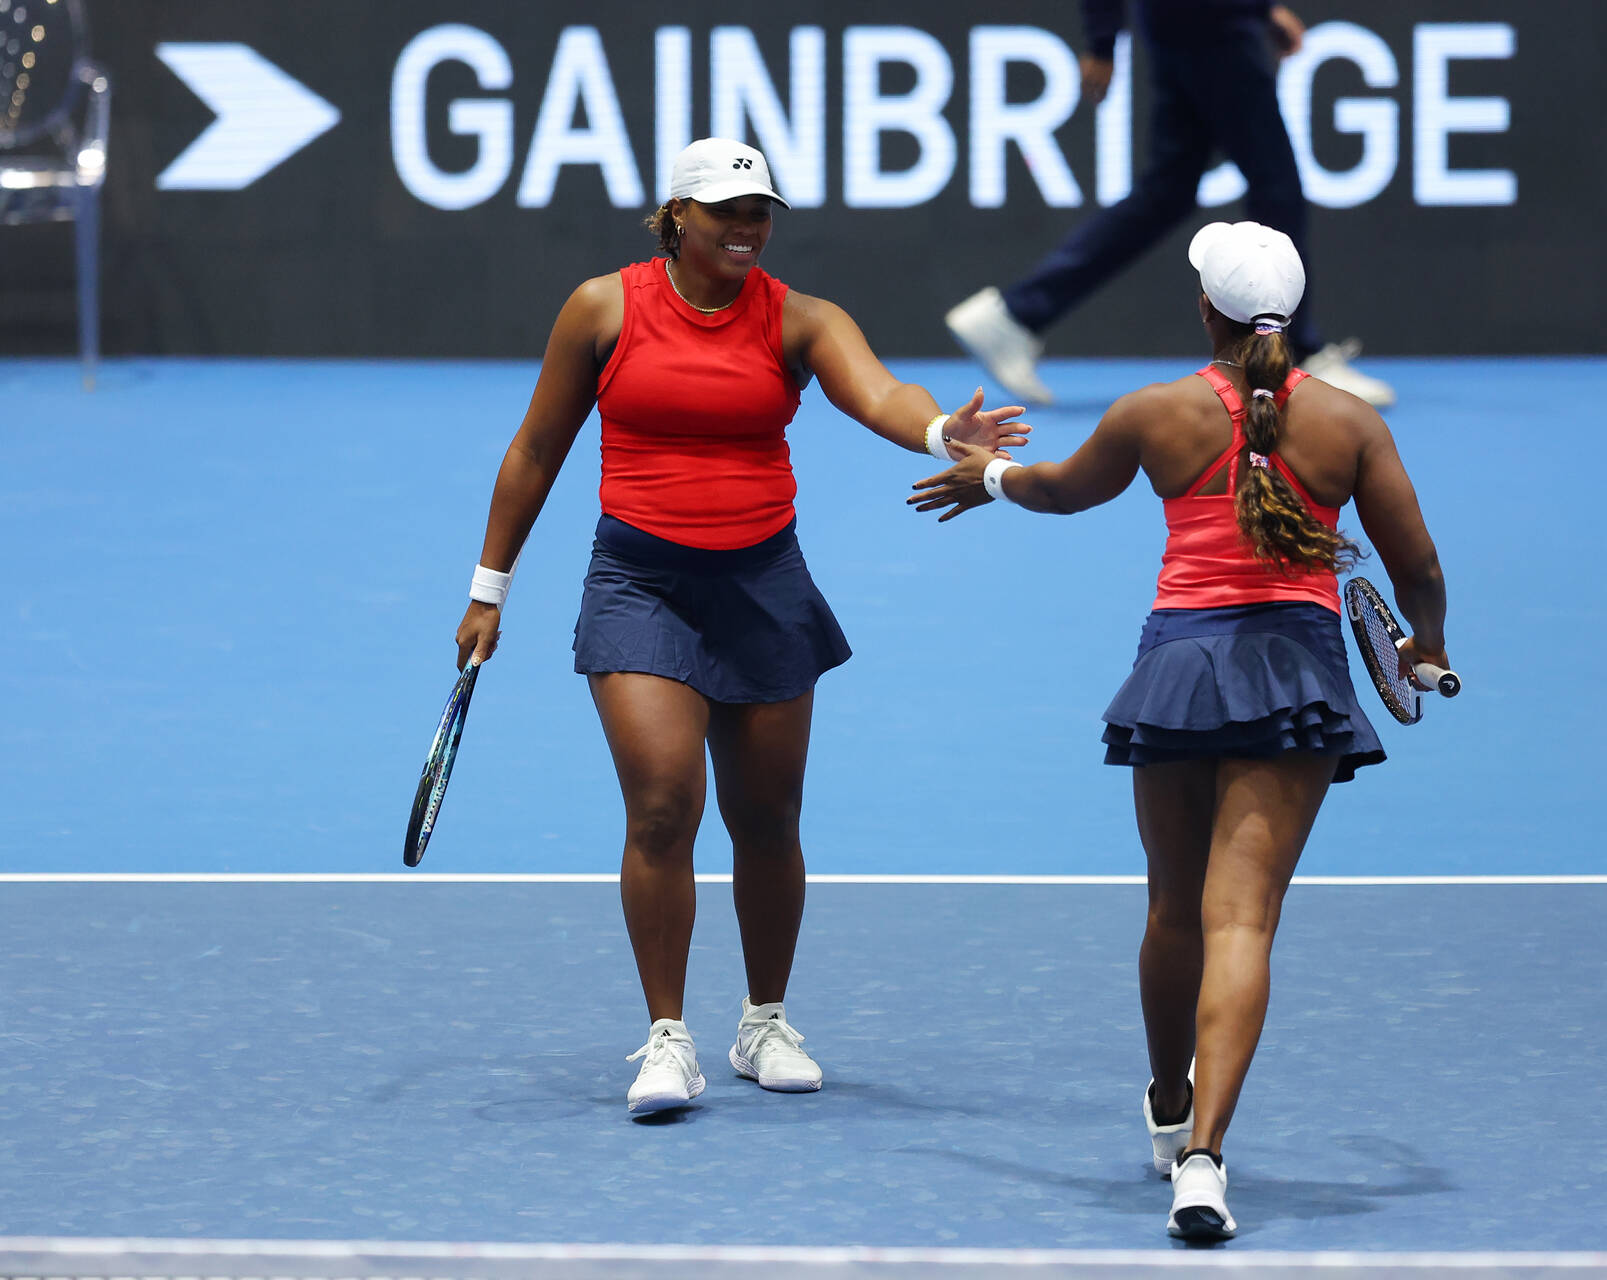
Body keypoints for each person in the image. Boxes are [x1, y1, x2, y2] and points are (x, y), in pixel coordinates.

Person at [453, 138, 1028, 1117]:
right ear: (676, 214)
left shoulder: (799, 319)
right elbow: (538, 445)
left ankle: (764, 1020)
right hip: (641, 584)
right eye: (726, 209)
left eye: (760, 209)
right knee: (665, 804)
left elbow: (881, 392)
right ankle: (666, 1035)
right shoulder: (603, 307)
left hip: (763, 586)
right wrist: (488, 585)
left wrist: (942, 435)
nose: (747, 226)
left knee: (766, 818)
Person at [910, 221, 1449, 1239]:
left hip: (1178, 673)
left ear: (1206, 311)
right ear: (1290, 321)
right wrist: (1425, 639)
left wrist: (984, 474)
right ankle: (1204, 1156)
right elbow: (1416, 559)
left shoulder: (1154, 412)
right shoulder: (1347, 424)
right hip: (1294, 677)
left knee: (1173, 911)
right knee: (1240, 919)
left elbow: (1064, 490)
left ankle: (1167, 1099)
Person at [945, 2, 1395, 410]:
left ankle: (1016, 314)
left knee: (1170, 191)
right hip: (1212, 23)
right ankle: (1292, 352)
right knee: (1276, 189)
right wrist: (1102, 41)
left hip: (1182, 20)